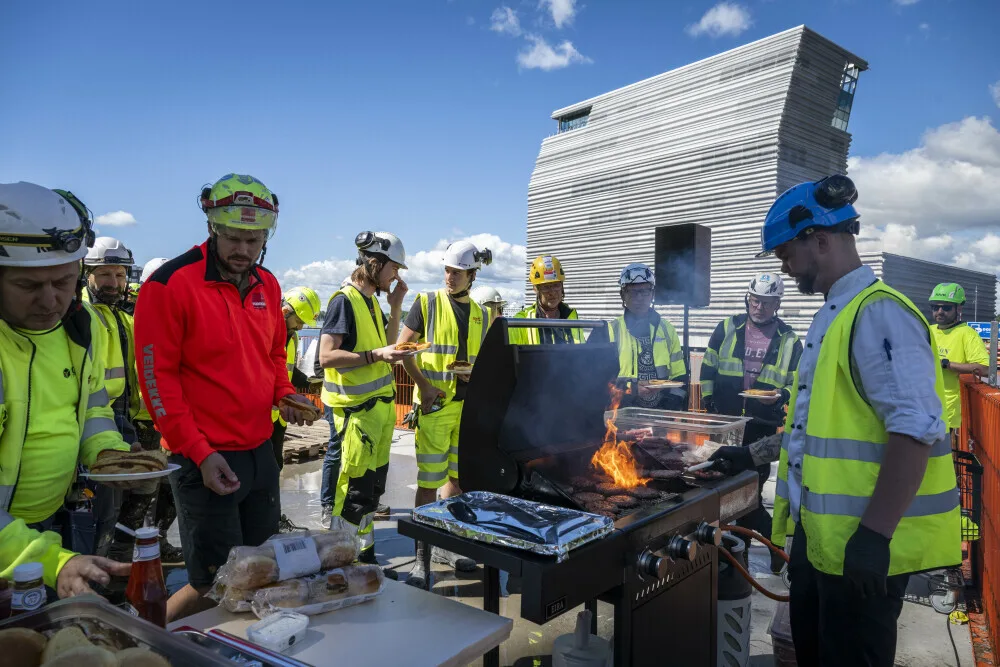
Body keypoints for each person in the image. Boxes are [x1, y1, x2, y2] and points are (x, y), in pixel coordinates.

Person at [710, 175, 959, 666]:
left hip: (860, 552)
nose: (786, 267)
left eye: (785, 254)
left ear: (819, 240)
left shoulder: (878, 314)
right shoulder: (832, 315)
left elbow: (915, 430)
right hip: (823, 546)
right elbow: (814, 430)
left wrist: (874, 536)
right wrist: (752, 453)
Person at [134, 173, 318, 622]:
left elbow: (273, 353)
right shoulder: (169, 283)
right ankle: (138, 639)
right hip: (203, 457)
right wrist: (200, 452)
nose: (243, 250)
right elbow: (157, 381)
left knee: (259, 567)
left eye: (254, 241)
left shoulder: (267, 285)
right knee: (211, 583)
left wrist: (285, 394)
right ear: (212, 228)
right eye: (234, 238)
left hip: (258, 452)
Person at [0, 182, 132, 598]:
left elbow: (92, 405)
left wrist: (109, 455)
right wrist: (51, 561)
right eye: (28, 286)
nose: (50, 301)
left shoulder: (80, 326)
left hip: (51, 520)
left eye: (63, 282)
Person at [399, 240, 492, 588]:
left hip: (467, 410)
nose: (449, 277)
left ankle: (448, 547)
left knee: (459, 481)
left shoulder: (483, 314)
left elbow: (484, 361)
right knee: (427, 483)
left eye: (457, 272)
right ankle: (421, 559)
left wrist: (476, 375)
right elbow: (403, 350)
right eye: (447, 270)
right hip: (436, 406)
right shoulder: (427, 303)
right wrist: (422, 386)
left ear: (472, 275)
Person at [317, 232, 408, 574]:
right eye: (393, 269)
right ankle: (341, 563)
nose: (395, 276)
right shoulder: (345, 300)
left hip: (377, 413)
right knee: (353, 492)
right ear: (375, 262)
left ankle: (364, 556)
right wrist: (375, 355)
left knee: (371, 490)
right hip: (356, 415)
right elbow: (326, 355)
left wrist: (395, 307)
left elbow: (386, 344)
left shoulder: (371, 300)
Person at [701, 272, 801, 571]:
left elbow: (797, 382)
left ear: (777, 304)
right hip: (725, 423)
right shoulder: (727, 327)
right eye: (755, 300)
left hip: (761, 426)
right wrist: (710, 407)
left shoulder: (789, 339)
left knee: (750, 494)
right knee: (721, 490)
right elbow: (708, 366)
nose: (759, 307)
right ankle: (738, 551)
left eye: (767, 302)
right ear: (748, 299)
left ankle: (764, 545)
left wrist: (781, 395)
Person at [82, 237, 156, 562]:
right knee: (94, 515)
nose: (114, 283)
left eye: (120, 275)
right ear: (87, 274)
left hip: (122, 424)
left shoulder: (121, 318)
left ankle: (113, 573)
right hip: (93, 427)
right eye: (105, 275)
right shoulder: (81, 316)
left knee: (116, 511)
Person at [130, 255, 183, 563]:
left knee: (168, 491)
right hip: (145, 421)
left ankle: (156, 544)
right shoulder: (136, 319)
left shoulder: (172, 317)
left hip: (169, 420)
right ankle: (138, 553)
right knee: (143, 495)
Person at [587, 262, 687, 410]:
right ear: (623, 295)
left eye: (645, 291)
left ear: (652, 293)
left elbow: (680, 377)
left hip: (660, 415)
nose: (639, 297)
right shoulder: (609, 331)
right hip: (620, 416)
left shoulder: (667, 330)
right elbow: (596, 380)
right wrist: (632, 389)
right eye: (632, 292)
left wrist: (670, 406)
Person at [928, 282, 990, 433]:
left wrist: (947, 364)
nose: (940, 311)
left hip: (946, 411)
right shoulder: (928, 330)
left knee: (941, 454)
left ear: (959, 308)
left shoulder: (967, 333)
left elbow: (984, 368)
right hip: (923, 407)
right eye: (936, 307)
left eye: (946, 307)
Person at [510, 255, 584, 344]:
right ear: (535, 289)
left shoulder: (571, 317)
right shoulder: (521, 321)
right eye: (546, 287)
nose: (552, 292)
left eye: (556, 285)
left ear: (562, 287)